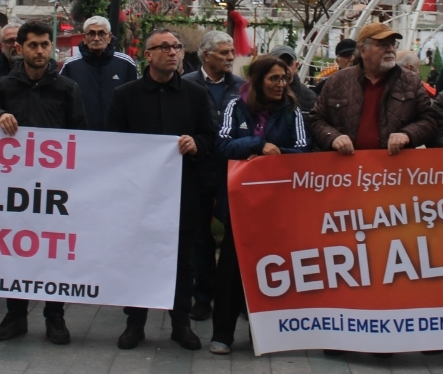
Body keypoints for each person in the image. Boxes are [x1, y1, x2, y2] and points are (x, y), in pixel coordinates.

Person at [107, 28, 217, 352]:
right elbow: (113, 142)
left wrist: (196, 144)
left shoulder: (195, 95)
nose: (173, 52)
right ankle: (135, 322)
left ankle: (180, 323)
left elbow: (210, 137)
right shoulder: (125, 95)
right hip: (138, 195)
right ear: (148, 55)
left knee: (182, 261)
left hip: (183, 193)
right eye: (165, 47)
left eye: (177, 47)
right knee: (138, 257)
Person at [0, 20, 86, 345]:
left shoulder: (67, 88)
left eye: (44, 45)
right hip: (13, 187)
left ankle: (55, 317)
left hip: (54, 188)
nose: (40, 51)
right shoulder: (4, 87)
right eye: (33, 45)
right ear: (20, 48)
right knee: (16, 250)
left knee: (52, 252)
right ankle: (16, 315)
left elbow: (80, 134)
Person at [209, 55, 310, 354]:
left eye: (284, 78)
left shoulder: (292, 110)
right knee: (230, 269)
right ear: (257, 81)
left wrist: (270, 156)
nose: (281, 84)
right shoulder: (235, 106)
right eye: (273, 78)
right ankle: (222, 334)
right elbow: (222, 144)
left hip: (277, 205)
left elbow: (303, 150)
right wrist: (255, 145)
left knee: (272, 269)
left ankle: (265, 333)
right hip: (239, 204)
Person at [182, 30, 243, 321]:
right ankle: (203, 295)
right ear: (206, 55)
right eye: (224, 52)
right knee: (200, 236)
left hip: (233, 170)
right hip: (198, 169)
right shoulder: (187, 85)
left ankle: (234, 297)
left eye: (231, 52)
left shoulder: (241, 87)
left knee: (236, 235)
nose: (230, 57)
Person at [310, 23, 438, 156]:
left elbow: (430, 121)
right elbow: (316, 119)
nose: (390, 49)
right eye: (383, 45)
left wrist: (407, 134)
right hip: (347, 166)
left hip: (395, 165)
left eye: (393, 44)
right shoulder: (338, 81)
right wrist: (333, 137)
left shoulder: (411, 81)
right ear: (363, 51)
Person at [59, 15, 137, 131]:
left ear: (109, 37)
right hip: (81, 135)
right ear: (84, 38)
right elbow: (60, 103)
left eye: (101, 33)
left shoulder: (126, 64)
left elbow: (135, 103)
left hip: (117, 136)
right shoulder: (71, 66)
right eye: (91, 34)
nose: (96, 38)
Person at [269, 46, 317, 112]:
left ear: (296, 66)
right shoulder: (262, 96)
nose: (285, 68)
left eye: (289, 63)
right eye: (279, 64)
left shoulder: (310, 98)